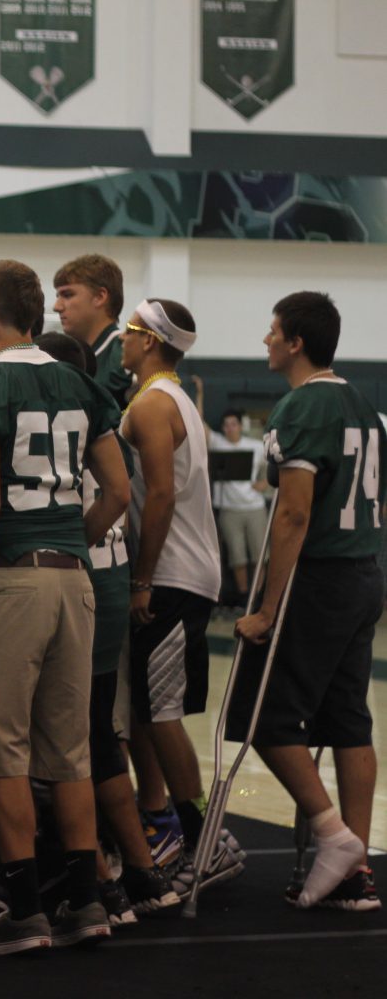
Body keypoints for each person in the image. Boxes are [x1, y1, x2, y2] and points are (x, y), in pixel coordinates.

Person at [0, 259, 129, 955]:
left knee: (2, 754)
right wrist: (66, 544)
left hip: (10, 578)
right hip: (73, 581)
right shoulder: (81, 383)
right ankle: (87, 902)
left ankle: (25, 909)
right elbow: (117, 494)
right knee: (70, 752)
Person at [228, 291, 383, 911]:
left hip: (320, 578)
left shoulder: (303, 406)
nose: (265, 340)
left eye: (272, 332)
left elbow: (292, 512)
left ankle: (333, 835)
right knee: (348, 719)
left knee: (260, 717)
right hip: (366, 572)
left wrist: (266, 606)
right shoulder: (365, 408)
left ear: (295, 342)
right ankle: (357, 870)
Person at [34, 332, 182, 922]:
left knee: (64, 740)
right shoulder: (105, 413)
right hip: (111, 577)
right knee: (97, 733)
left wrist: (70, 543)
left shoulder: (57, 416)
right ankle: (141, 873)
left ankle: (98, 877)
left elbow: (116, 497)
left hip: (78, 576)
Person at [119, 300, 234, 888]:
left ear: (149, 340)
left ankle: (205, 836)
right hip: (183, 571)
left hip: (172, 575)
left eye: (129, 331)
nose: (121, 338)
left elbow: (159, 495)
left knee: (161, 714)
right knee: (149, 708)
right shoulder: (179, 395)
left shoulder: (152, 404)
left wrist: (141, 578)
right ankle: (174, 826)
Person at [193, 376, 270, 602]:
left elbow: (274, 467)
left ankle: (257, 600)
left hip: (255, 509)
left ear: (240, 425)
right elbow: (198, 421)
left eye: (233, 424)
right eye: (226, 424)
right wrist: (200, 393)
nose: (229, 428)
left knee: (259, 556)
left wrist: (264, 484)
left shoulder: (255, 446)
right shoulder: (218, 442)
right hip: (229, 510)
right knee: (237, 558)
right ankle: (243, 598)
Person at [53, 254, 131, 402]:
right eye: (58, 296)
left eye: (67, 295)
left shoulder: (125, 354)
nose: (57, 306)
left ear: (100, 297)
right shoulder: (65, 357)